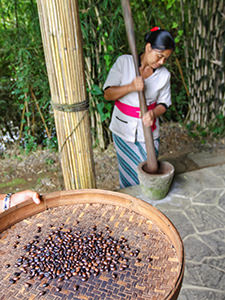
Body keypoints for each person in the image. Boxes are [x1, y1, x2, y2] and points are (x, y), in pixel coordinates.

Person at [103, 27, 175, 188]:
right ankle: (132, 202)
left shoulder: (164, 75)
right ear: (148, 47)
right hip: (122, 127)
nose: (161, 62)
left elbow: (164, 103)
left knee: (150, 169)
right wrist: (130, 87)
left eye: (165, 59)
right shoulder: (125, 63)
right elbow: (108, 94)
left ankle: (147, 203)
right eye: (160, 56)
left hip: (148, 130)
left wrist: (153, 113)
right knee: (128, 173)